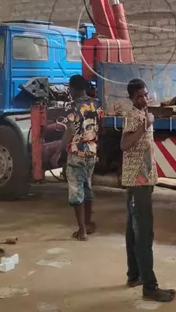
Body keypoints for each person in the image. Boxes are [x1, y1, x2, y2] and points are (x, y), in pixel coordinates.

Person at [120, 79, 176, 303]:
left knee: (133, 231)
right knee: (144, 234)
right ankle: (150, 287)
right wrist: (146, 125)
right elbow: (124, 144)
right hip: (138, 183)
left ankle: (134, 276)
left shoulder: (143, 114)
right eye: (139, 97)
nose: (144, 99)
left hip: (142, 180)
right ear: (132, 98)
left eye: (145, 95)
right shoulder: (134, 116)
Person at [56, 74, 102, 241]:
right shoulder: (96, 103)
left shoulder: (73, 106)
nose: (69, 90)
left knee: (76, 192)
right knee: (88, 188)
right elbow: (99, 126)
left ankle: (82, 231)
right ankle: (88, 224)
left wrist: (58, 151)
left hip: (76, 153)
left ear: (74, 88)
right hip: (92, 152)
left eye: (69, 87)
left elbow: (69, 131)